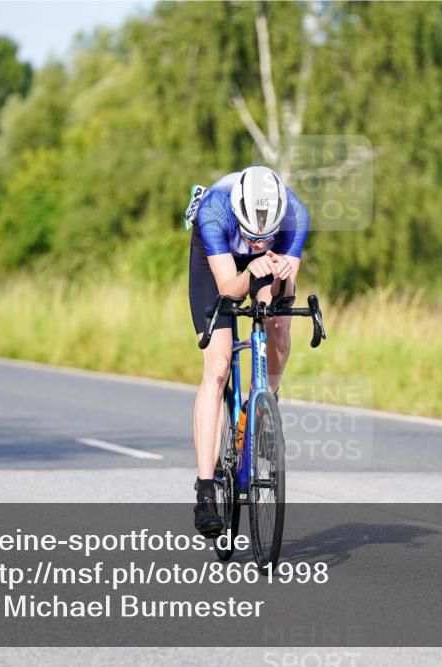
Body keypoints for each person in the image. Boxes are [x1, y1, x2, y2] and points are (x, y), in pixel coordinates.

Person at [186, 165, 309, 537]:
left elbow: (282, 299)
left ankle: (263, 409)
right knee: (219, 366)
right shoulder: (214, 211)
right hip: (220, 266)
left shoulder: (296, 216)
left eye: (267, 237)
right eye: (253, 237)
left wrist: (284, 276)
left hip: (261, 269)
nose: (259, 244)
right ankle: (206, 489)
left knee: (280, 326)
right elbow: (228, 288)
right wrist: (252, 268)